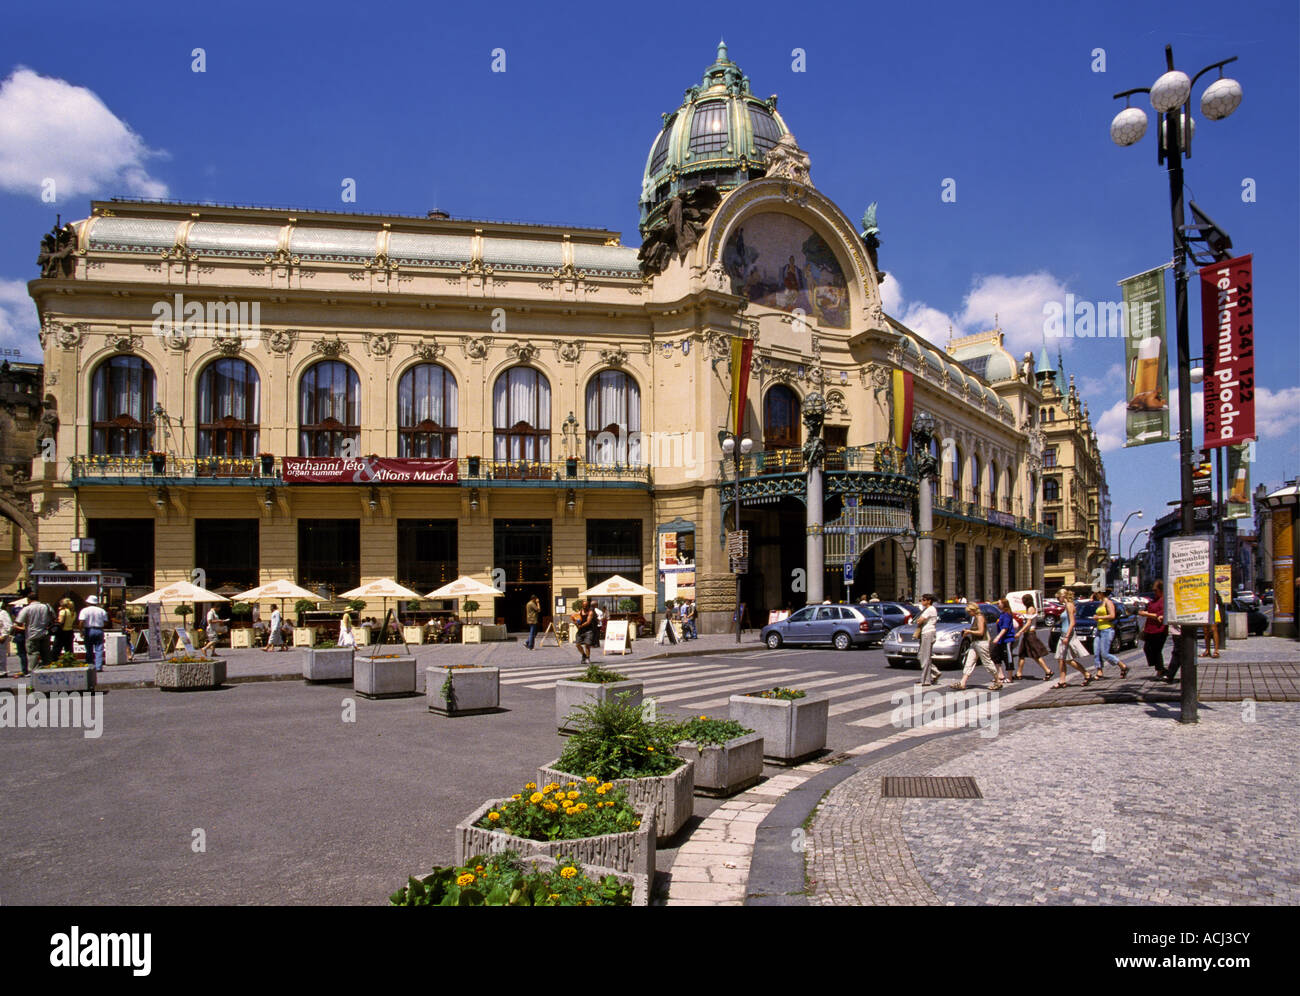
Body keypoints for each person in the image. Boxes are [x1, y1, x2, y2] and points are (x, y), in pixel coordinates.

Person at [953, 603, 1002, 691]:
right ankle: (962, 683)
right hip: (975, 643)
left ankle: (998, 681)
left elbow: (981, 632)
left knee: (987, 662)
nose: (968, 613)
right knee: (969, 662)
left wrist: (969, 632)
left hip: (981, 642)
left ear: (973, 610)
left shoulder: (980, 617)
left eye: (969, 612)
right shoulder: (975, 617)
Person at [1052, 588, 1095, 688]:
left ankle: (1086, 674)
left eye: (1058, 598)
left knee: (1067, 659)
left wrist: (1067, 636)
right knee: (1060, 659)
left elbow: (1072, 622)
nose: (1058, 600)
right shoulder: (1067, 605)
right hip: (1064, 634)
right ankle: (1062, 681)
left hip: (1067, 634)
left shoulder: (1069, 605)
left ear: (1063, 596)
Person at [1012, 593, 1055, 680]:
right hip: (1027, 635)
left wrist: (1019, 632)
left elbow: (1028, 623)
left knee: (1036, 655)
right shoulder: (1029, 609)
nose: (1022, 602)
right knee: (1022, 654)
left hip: (1030, 635)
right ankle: (1019, 673)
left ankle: (1048, 671)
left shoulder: (1031, 609)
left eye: (1023, 600)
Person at [1091, 588, 1128, 679]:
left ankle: (1122, 666)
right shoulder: (1101, 603)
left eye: (1097, 593)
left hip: (1107, 629)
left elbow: (1112, 615)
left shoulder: (1109, 602)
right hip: (1099, 629)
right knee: (1096, 651)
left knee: (1105, 653)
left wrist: (1099, 617)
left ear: (1102, 593)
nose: (1096, 594)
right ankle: (1099, 671)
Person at [1137, 579, 1167, 677]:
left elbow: (1161, 616)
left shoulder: (1163, 601)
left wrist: (1147, 614)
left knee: (1157, 650)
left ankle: (1160, 670)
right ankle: (1159, 667)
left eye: (1156, 590)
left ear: (1161, 590)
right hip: (1150, 629)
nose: (1154, 592)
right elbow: (1148, 610)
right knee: (1147, 648)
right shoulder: (1153, 600)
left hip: (1159, 629)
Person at [17, 598, 55, 670]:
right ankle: (49, 670)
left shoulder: (27, 609)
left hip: (32, 634)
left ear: (29, 600)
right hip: (45, 633)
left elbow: (19, 621)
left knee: (33, 654)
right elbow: (54, 618)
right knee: (46, 653)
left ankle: (34, 671)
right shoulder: (47, 607)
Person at [77, 595, 110, 672]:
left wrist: (81, 631)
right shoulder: (102, 611)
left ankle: (90, 666)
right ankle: (98, 667)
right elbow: (106, 622)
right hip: (99, 630)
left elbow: (81, 621)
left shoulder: (84, 610)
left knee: (89, 649)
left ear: (88, 602)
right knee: (99, 649)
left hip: (88, 630)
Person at [914, 593, 940, 686]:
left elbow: (919, 620)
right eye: (922, 599)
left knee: (925, 657)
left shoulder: (930, 609)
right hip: (926, 632)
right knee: (922, 655)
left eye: (924, 600)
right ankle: (935, 673)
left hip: (928, 633)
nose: (922, 601)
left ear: (929, 601)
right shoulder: (927, 609)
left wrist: (920, 619)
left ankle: (925, 680)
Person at [991, 598, 1017, 682]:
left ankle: (1010, 677)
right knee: (995, 656)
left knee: (1008, 657)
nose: (998, 605)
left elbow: (1005, 628)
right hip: (1001, 640)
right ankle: (1000, 674)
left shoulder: (1007, 614)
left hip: (1007, 640)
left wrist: (997, 637)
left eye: (999, 603)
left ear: (1004, 604)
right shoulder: (1002, 614)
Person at [575, 598, 598, 664]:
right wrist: (575, 622)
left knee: (587, 644)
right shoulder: (579, 612)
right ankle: (583, 655)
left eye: (586, 605)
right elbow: (576, 619)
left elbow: (588, 622)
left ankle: (587, 657)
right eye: (584, 605)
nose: (585, 607)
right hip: (580, 631)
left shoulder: (590, 612)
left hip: (588, 630)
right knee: (577, 644)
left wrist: (581, 625)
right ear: (582, 605)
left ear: (588, 606)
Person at [1202, 592, 1223, 658]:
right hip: (1204, 608)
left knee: (1214, 629)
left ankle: (1216, 651)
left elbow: (1215, 598)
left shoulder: (1212, 586)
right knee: (1205, 631)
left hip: (1213, 609)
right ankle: (1207, 650)